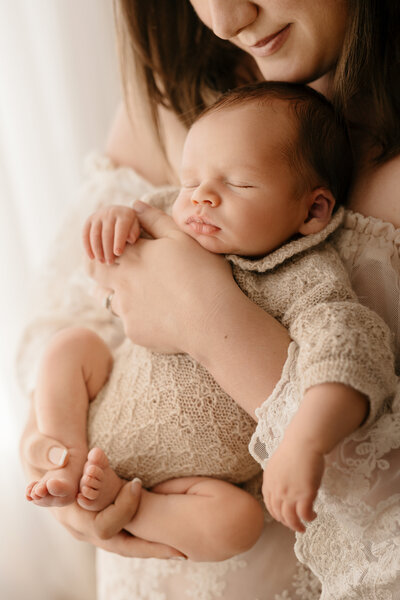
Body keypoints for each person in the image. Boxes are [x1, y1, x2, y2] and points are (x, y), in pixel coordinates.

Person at [19, 1, 400, 599]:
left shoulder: (304, 277)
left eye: (238, 184)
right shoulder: (184, 111)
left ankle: (130, 502)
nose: (224, 19)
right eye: (192, 182)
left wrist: (207, 318)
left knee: (233, 520)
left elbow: (347, 349)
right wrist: (46, 455)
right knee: (70, 348)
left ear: (314, 210)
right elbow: (69, 313)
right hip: (120, 530)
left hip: (251, 541)